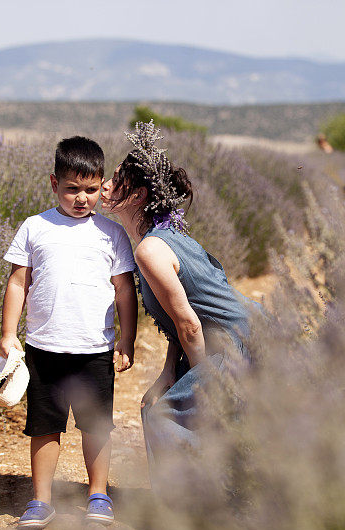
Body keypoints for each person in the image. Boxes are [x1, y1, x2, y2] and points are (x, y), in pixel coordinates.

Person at [100, 121, 256, 496]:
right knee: (155, 404)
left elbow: (188, 324)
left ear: (137, 195)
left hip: (239, 344)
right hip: (232, 339)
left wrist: (204, 385)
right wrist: (170, 373)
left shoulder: (150, 249)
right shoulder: (167, 236)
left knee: (165, 417)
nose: (105, 184)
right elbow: (180, 321)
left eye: (116, 179)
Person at [0, 136, 137, 528]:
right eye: (72, 188)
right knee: (44, 427)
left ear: (101, 187)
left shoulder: (111, 234)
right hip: (44, 347)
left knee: (96, 426)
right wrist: (8, 334)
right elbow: (17, 283)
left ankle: (98, 495)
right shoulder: (34, 227)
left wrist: (126, 339)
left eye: (91, 190)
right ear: (53, 183)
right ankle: (41, 500)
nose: (82, 198)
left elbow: (125, 289)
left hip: (95, 348)